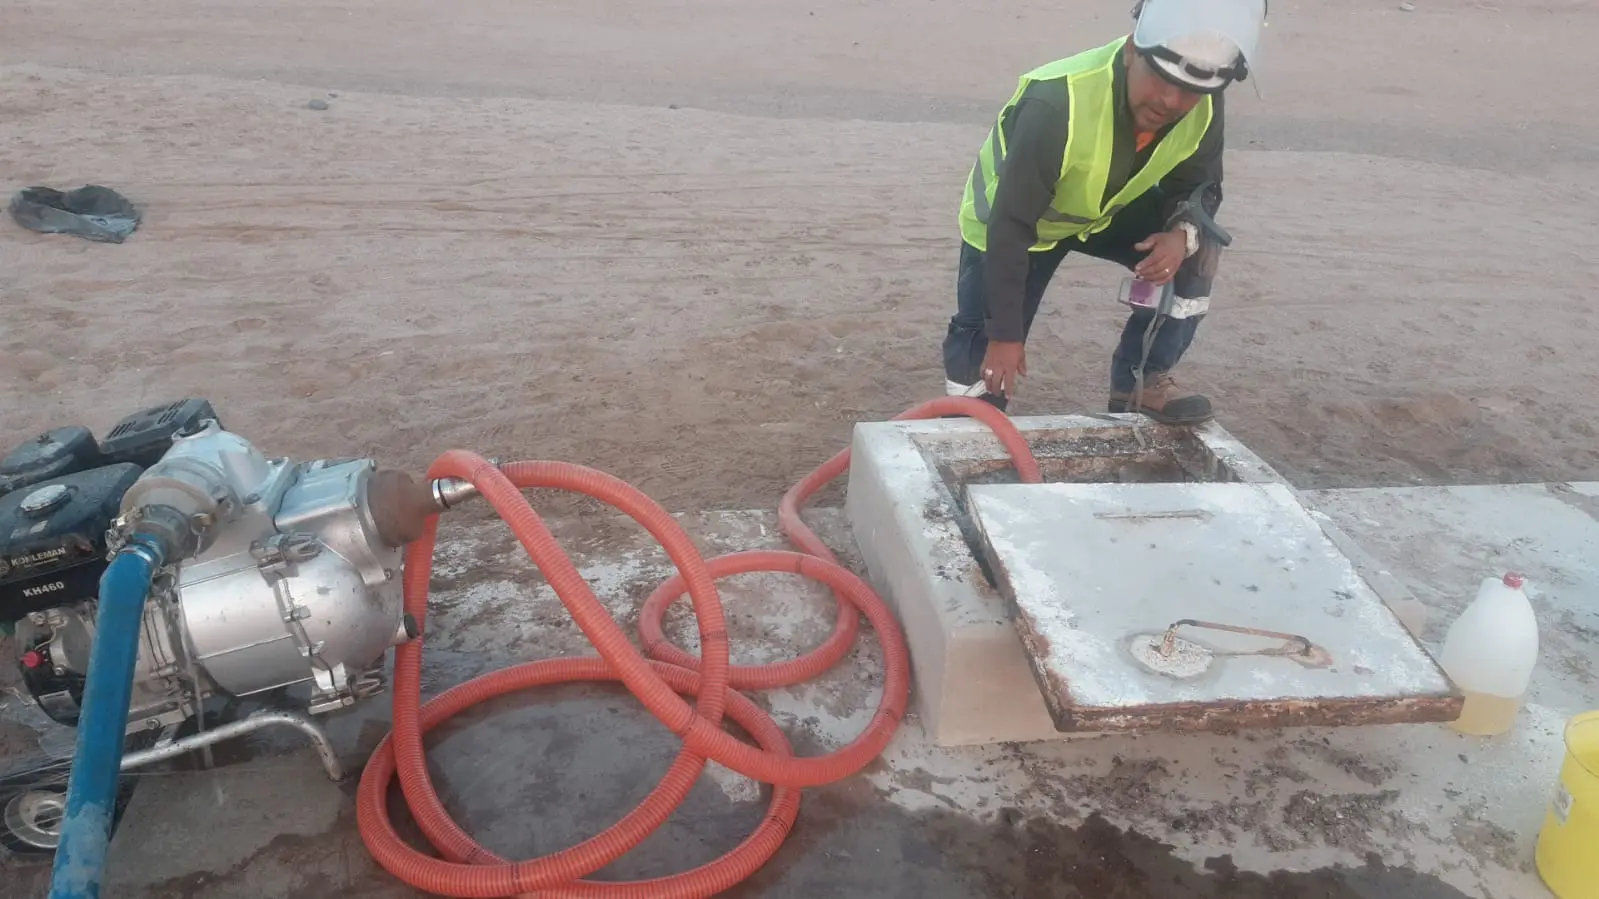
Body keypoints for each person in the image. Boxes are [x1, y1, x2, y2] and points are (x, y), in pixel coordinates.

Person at [940, 0, 1267, 424]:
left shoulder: (1203, 102)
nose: (1171, 100)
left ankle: (1141, 383)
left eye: (1191, 89)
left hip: (1099, 211)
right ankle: (972, 416)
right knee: (987, 349)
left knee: (1198, 249)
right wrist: (1004, 334)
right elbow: (1011, 224)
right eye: (1160, 77)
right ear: (1133, 49)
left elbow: (1200, 186)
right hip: (1012, 227)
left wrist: (1179, 235)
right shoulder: (1058, 103)